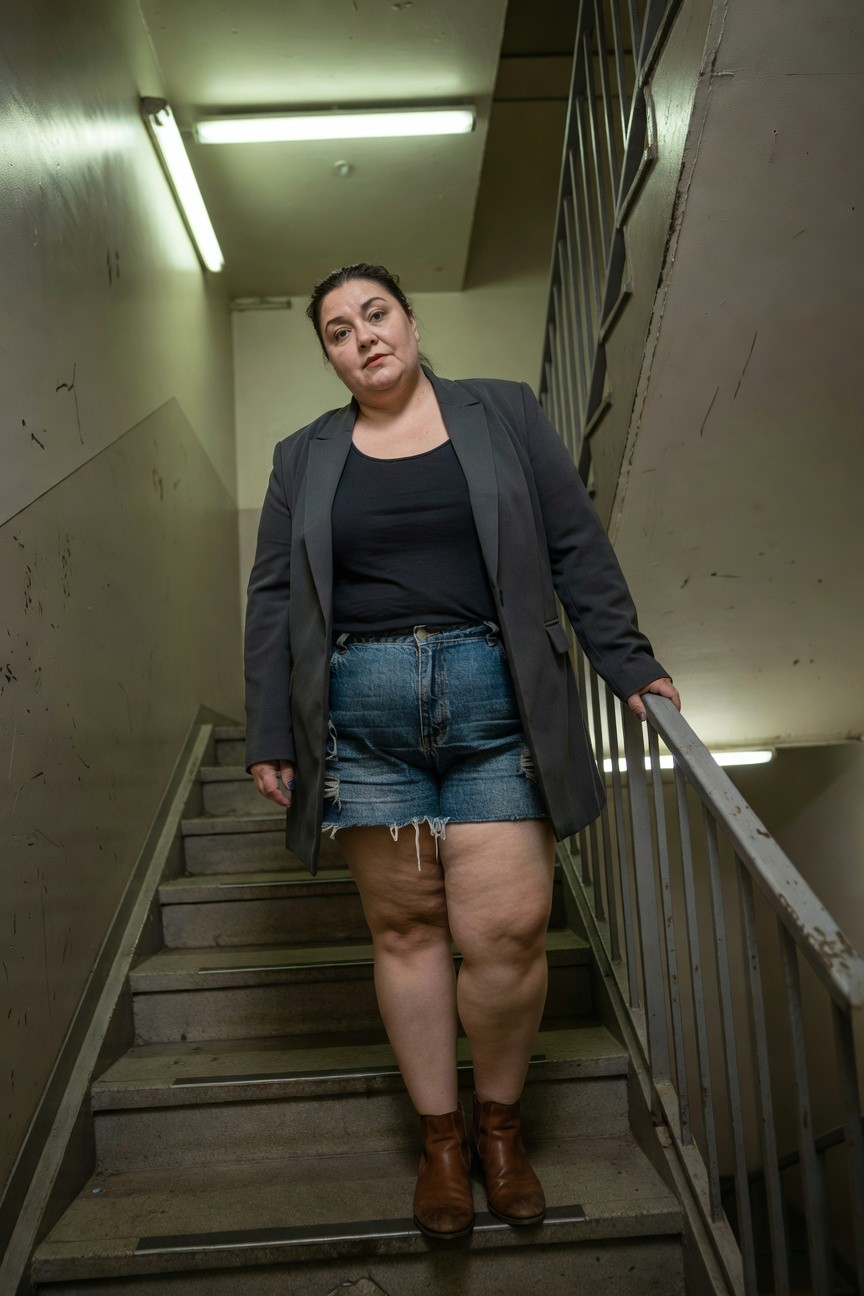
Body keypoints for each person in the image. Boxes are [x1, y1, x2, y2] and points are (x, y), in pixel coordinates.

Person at [244, 262, 680, 1240]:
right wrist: (270, 727)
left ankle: (500, 1125)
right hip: (362, 722)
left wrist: (628, 663)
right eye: (338, 330)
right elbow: (274, 597)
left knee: (509, 933)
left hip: (498, 708)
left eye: (375, 314)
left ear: (409, 320)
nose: (362, 336)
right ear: (329, 355)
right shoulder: (302, 457)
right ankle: (441, 1142)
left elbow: (574, 545)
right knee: (406, 932)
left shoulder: (505, 414)